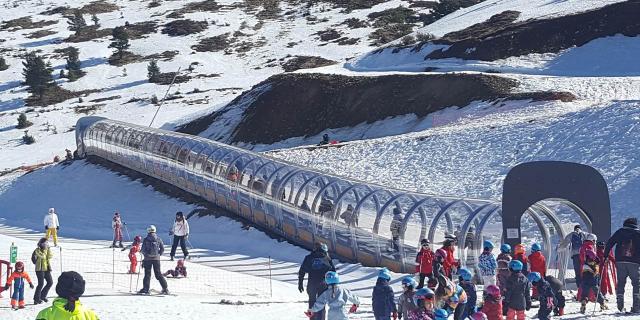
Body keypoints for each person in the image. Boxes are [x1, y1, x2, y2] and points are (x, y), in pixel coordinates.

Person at [604, 217, 640, 313]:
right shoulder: (638, 233)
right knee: (636, 284)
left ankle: (620, 306)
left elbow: (610, 242)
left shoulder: (620, 232)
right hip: (634, 262)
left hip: (620, 261)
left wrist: (605, 255)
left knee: (621, 282)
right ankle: (636, 307)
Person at [299, 242, 336, 320]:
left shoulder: (309, 257)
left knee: (312, 302)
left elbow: (302, 271)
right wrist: (333, 286)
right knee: (321, 304)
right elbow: (333, 273)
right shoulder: (327, 258)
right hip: (323, 284)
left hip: (312, 284)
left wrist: (300, 283)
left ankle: (312, 318)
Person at [139, 225, 169, 295]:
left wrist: (146, 255)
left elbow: (143, 250)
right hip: (156, 260)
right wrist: (158, 255)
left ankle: (145, 289)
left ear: (148, 230)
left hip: (147, 259)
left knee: (147, 274)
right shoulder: (158, 239)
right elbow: (162, 249)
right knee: (158, 274)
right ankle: (165, 288)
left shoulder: (146, 239)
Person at [32, 238, 53, 305]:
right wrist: (45, 250)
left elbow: (50, 256)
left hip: (46, 268)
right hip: (39, 269)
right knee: (40, 284)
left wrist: (48, 249)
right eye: (44, 243)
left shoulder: (47, 249)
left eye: (47, 243)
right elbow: (43, 256)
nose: (46, 244)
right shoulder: (37, 250)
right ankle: (36, 299)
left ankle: (43, 296)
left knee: (50, 282)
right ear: (41, 243)